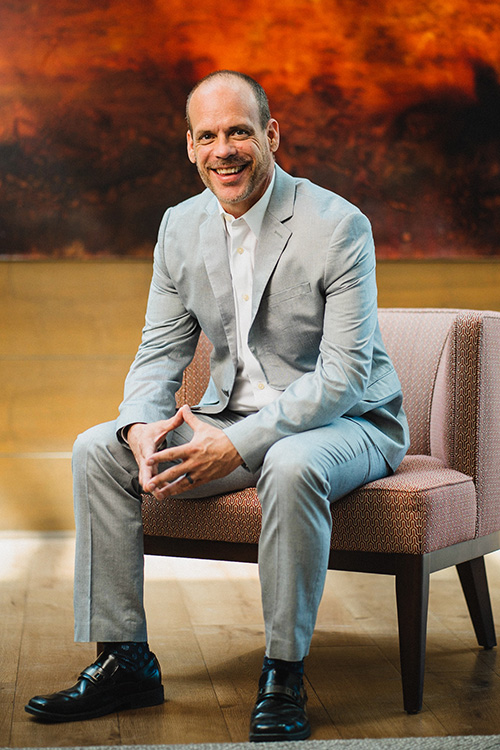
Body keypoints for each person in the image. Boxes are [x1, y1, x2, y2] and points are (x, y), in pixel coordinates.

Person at [25, 70, 410, 741]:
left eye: (239, 132)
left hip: (347, 423)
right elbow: (158, 353)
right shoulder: (181, 226)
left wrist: (235, 444)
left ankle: (284, 674)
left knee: (288, 461)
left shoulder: (337, 223)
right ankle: (125, 660)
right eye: (208, 135)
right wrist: (141, 425)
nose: (224, 149)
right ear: (190, 146)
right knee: (97, 448)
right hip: (229, 415)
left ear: (271, 135)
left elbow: (345, 377)